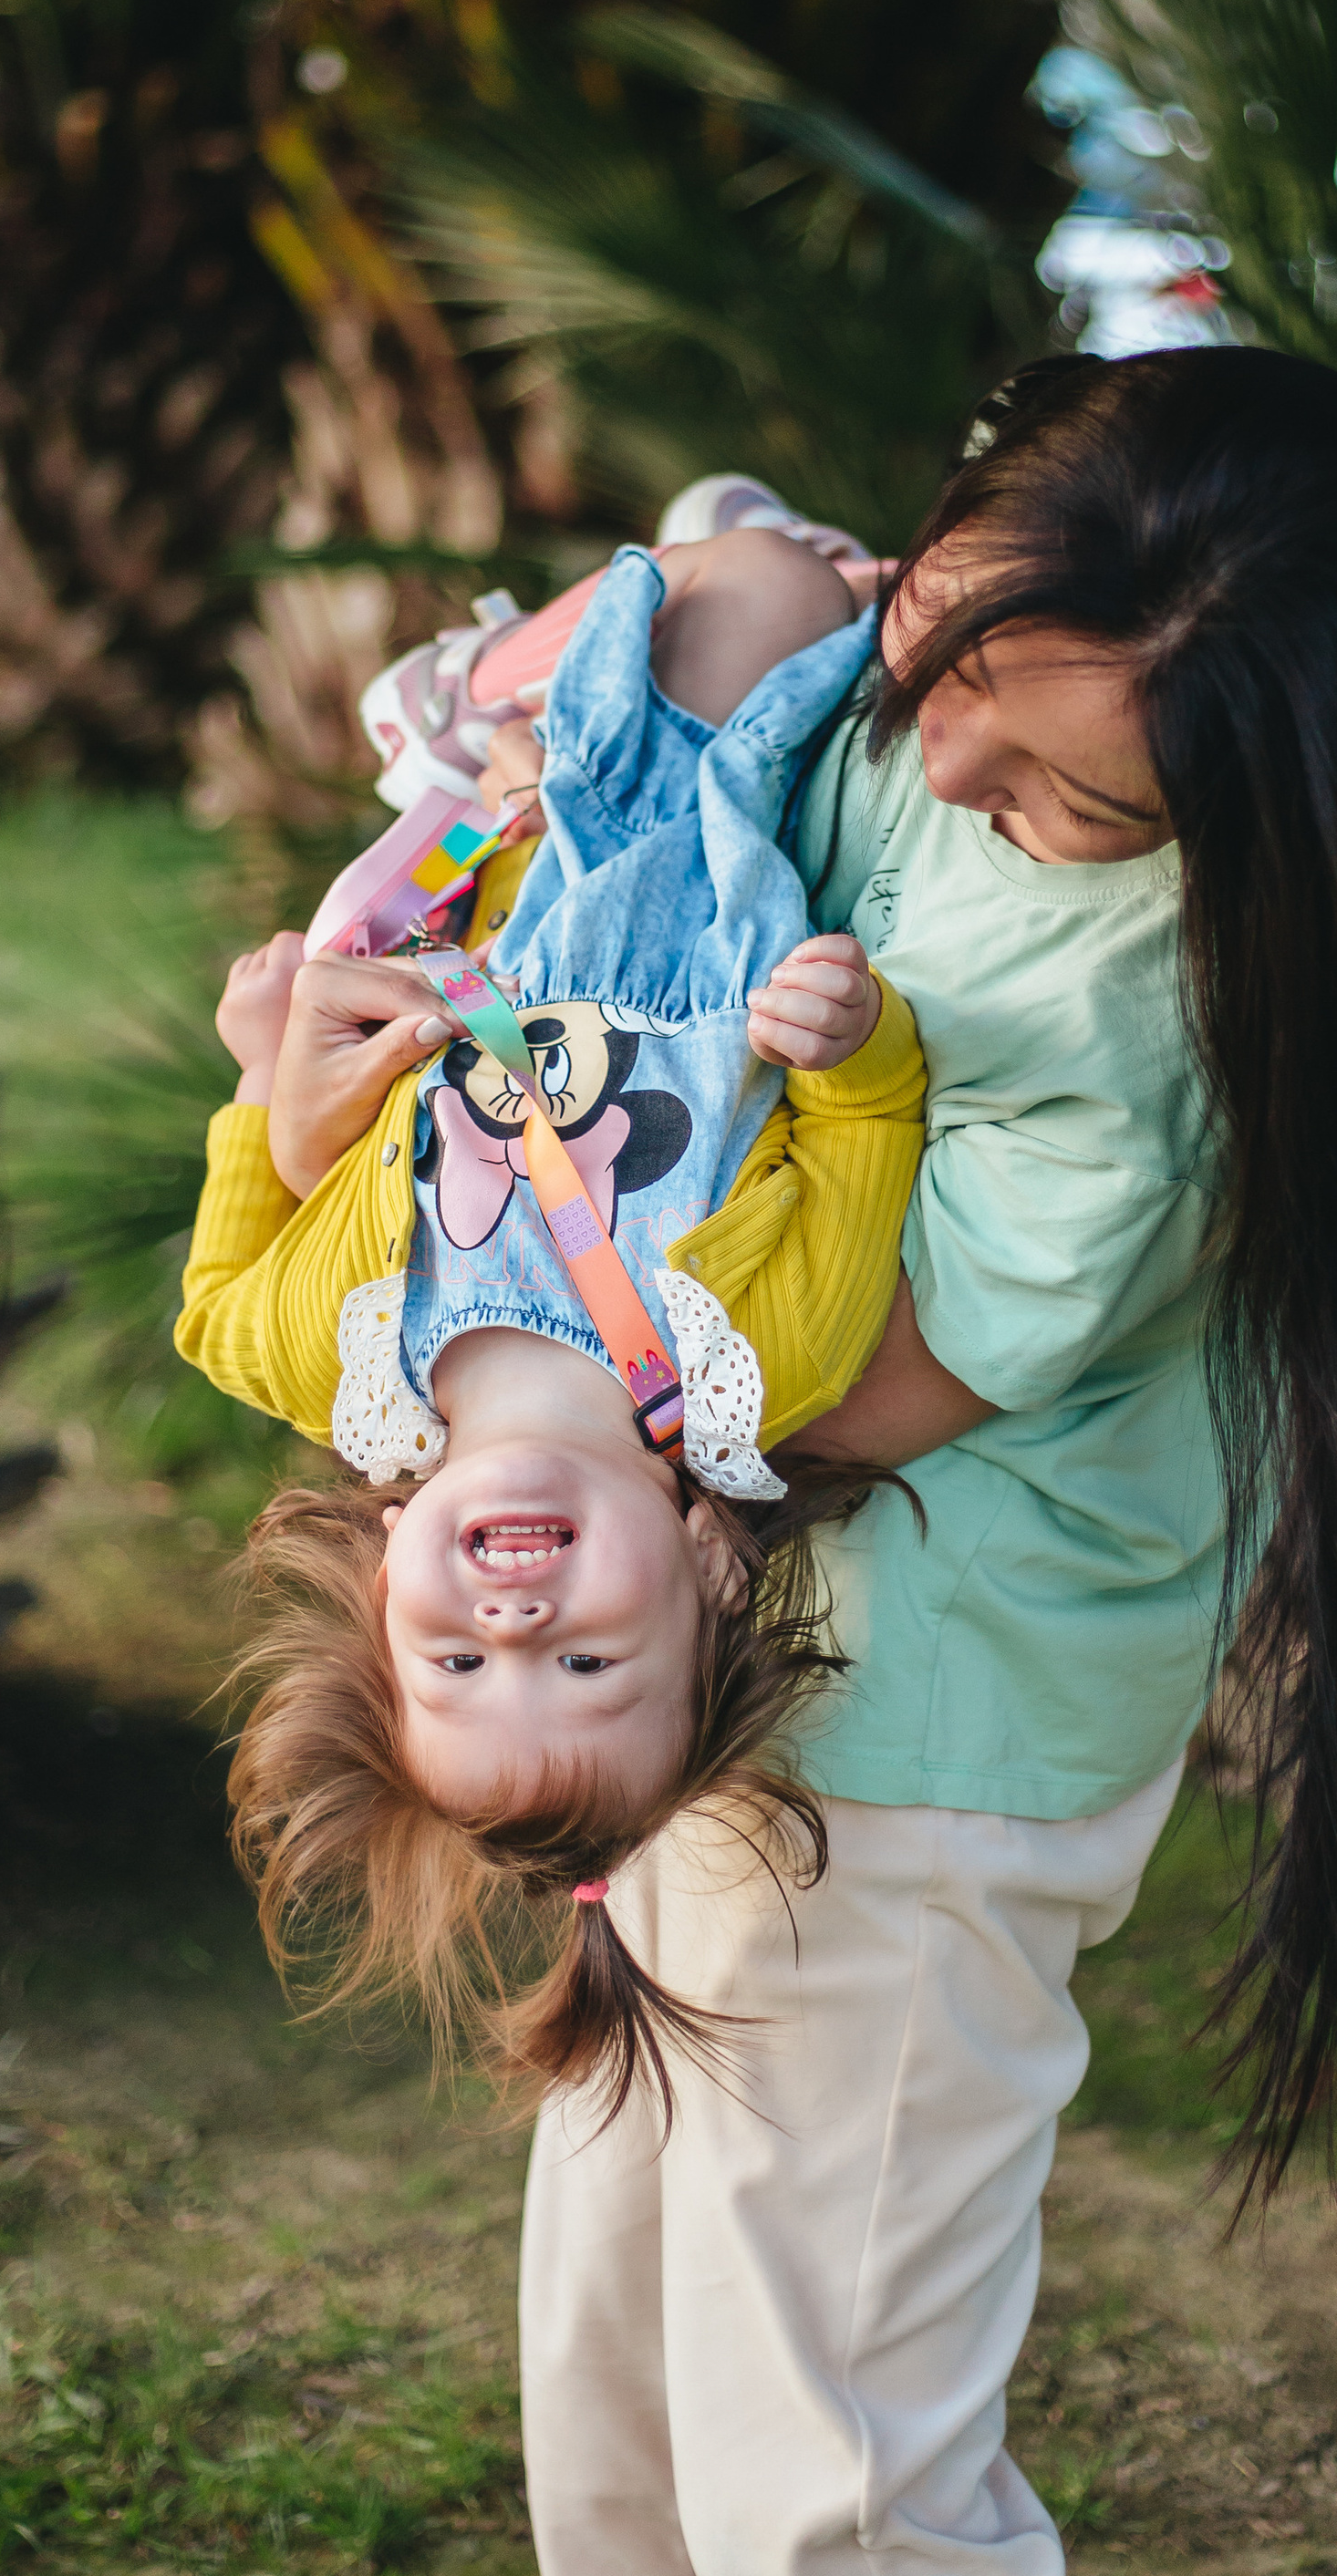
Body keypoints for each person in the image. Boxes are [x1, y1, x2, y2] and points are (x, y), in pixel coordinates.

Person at [259, 349, 1337, 2576]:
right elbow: (690, 613)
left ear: (1263, 822)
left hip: (913, 1754)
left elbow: (790, 1399)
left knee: (837, 2493)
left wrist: (403, 1263)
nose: (946, 776)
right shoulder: (895, 677)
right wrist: (653, 639)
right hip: (717, 1695)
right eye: (947, 668)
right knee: (622, 2402)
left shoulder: (1156, 1043)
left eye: (1066, 798)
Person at [177, 531, 928, 2119]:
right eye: (590, 1661)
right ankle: (807, 593)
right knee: (768, 595)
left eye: (454, 1661)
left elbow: (213, 1308)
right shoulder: (762, 1364)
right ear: (716, 1577)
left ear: (386, 1595)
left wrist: (261, 1079)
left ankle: (467, 698)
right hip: (707, 846)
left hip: (508, 856)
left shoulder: (336, 1364)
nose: (514, 1629)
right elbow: (864, 1152)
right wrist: (850, 1044)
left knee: (686, 591)